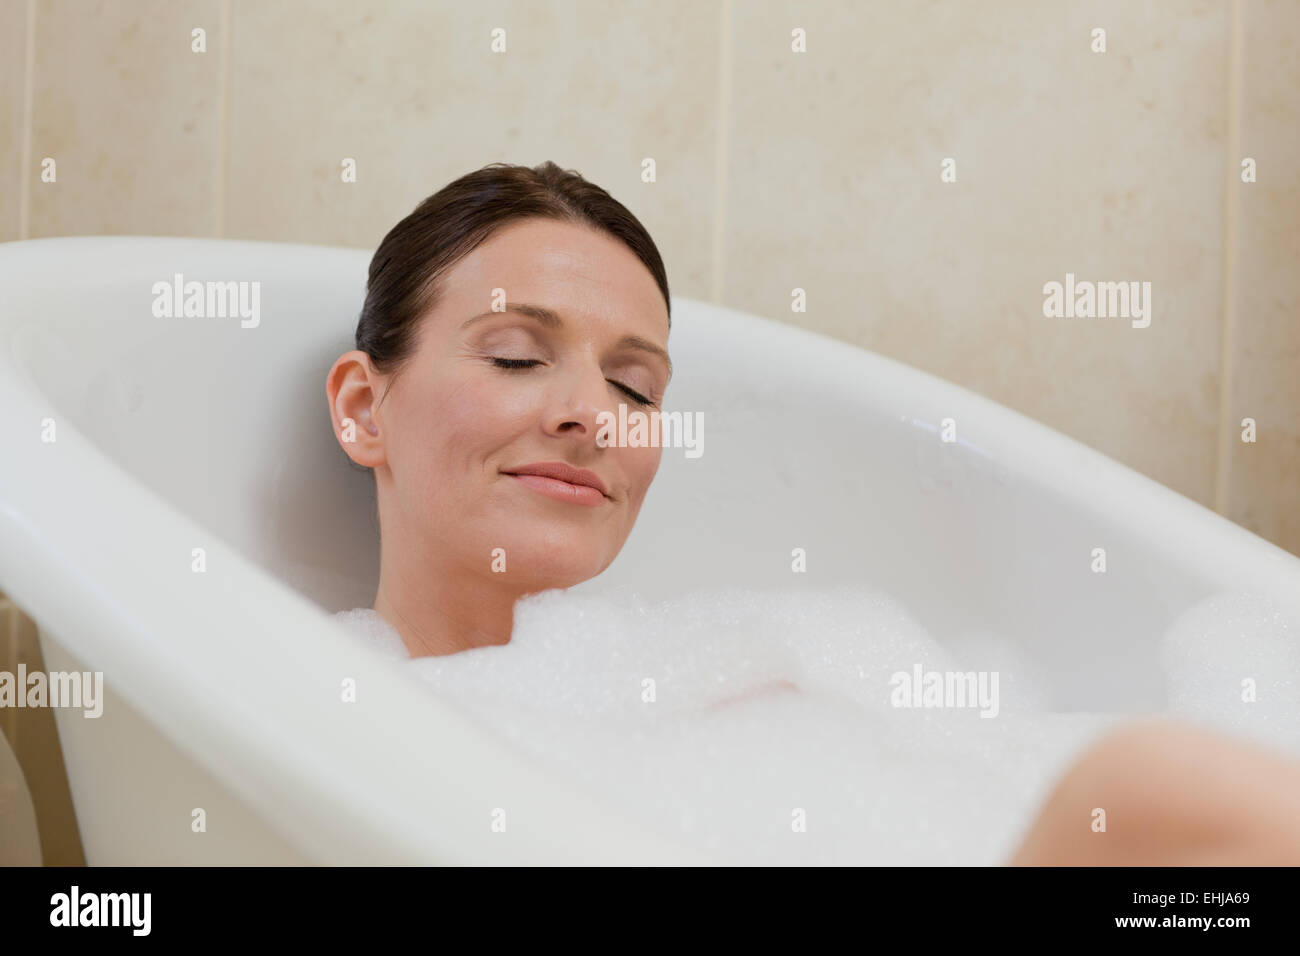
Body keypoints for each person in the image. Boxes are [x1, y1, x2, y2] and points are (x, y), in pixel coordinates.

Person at [326, 160, 1300, 865]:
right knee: (1151, 794)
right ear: (365, 408)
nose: (594, 414)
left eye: (635, 384)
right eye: (514, 354)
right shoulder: (315, 721)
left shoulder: (769, 689)